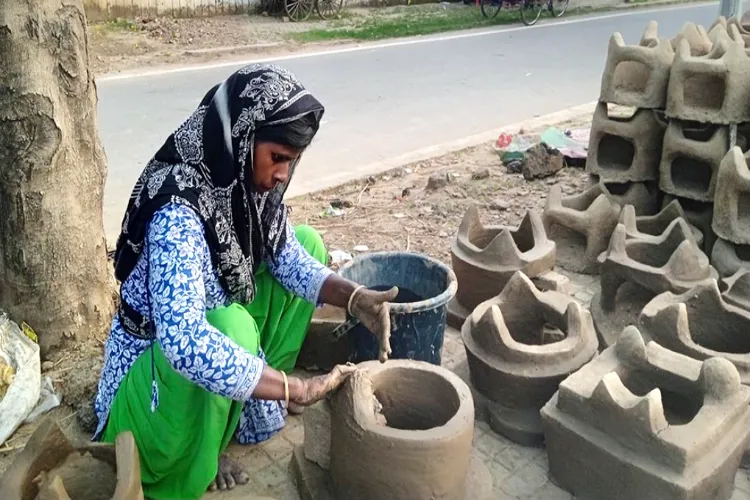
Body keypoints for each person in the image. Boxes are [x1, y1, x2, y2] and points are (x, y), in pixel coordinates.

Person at [93, 63, 398, 500]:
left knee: (308, 243)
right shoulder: (177, 209)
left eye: (292, 162)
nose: (281, 175)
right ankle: (197, 451)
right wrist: (295, 386)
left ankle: (250, 395)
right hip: (149, 390)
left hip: (209, 328)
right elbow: (184, 341)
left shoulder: (245, 186)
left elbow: (291, 261)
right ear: (242, 135)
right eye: (277, 158)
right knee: (231, 328)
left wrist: (355, 299)